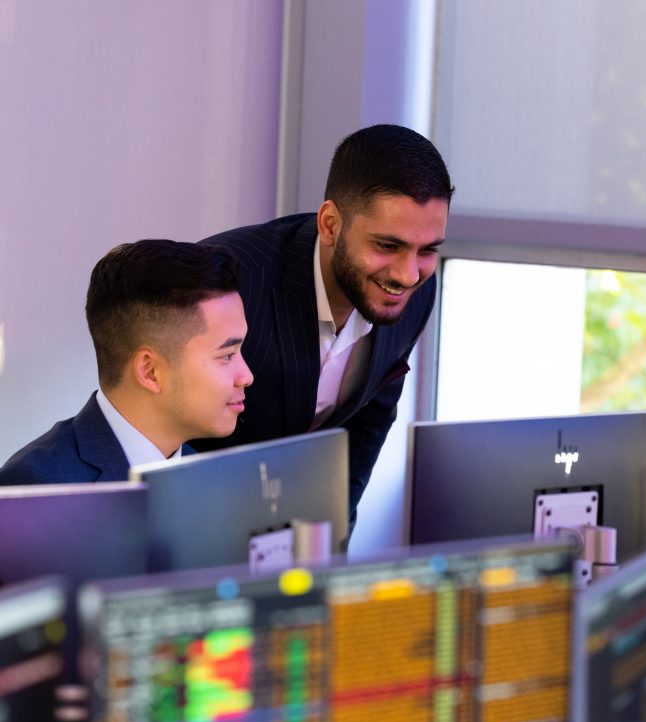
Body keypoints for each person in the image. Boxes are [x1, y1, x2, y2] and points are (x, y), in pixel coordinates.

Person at [192, 124, 454, 524]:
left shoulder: (419, 287)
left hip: (298, 535)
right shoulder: (226, 280)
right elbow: (166, 425)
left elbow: (370, 419)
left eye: (428, 250)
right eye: (387, 246)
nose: (407, 274)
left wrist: (334, 535)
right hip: (200, 523)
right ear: (331, 224)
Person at [0, 240, 253, 484]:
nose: (247, 376)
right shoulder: (39, 488)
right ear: (150, 371)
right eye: (227, 355)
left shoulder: (208, 476)